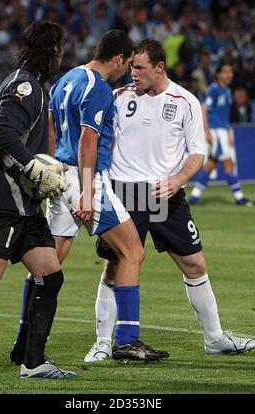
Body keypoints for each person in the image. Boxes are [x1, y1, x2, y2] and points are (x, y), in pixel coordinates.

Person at [82, 39, 255, 362]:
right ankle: (104, 342)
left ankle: (215, 338)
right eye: (131, 66)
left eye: (139, 68)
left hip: (167, 195)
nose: (132, 73)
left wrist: (177, 180)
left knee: (194, 264)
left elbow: (197, 153)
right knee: (114, 265)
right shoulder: (118, 98)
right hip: (125, 192)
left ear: (159, 68)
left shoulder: (185, 101)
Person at [10, 30, 170, 364]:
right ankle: (126, 340)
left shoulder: (65, 79)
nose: (127, 72)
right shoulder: (98, 87)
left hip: (60, 177)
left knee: (46, 263)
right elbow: (88, 139)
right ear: (118, 58)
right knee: (132, 252)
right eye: (127, 64)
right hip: (87, 179)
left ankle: (24, 339)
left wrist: (53, 176)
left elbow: (52, 129)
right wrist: (86, 192)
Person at [0, 21, 76, 380]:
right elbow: (1, 131)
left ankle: (33, 362)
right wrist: (32, 166)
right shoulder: (25, 86)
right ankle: (31, 360)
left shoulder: (31, 84)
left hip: (23, 206)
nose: (61, 55)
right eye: (59, 48)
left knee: (49, 274)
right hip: (4, 202)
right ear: (51, 50)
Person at [188, 63, 255, 206]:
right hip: (216, 132)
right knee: (228, 163)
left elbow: (225, 115)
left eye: (230, 71)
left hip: (224, 131)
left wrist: (229, 132)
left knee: (211, 164)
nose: (229, 74)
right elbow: (204, 109)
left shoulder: (228, 91)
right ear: (218, 74)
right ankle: (239, 197)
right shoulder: (214, 89)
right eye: (225, 72)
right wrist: (207, 131)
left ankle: (194, 196)